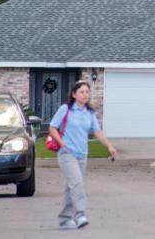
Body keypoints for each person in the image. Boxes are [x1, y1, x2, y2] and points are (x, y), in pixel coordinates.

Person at [48, 80, 117, 230]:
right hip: (66, 154)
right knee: (77, 183)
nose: (85, 95)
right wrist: (62, 143)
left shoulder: (89, 113)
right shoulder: (65, 109)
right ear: (74, 94)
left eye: (87, 92)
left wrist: (109, 146)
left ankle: (65, 220)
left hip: (82, 155)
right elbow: (53, 128)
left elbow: (97, 131)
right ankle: (80, 215)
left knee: (72, 186)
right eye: (82, 92)